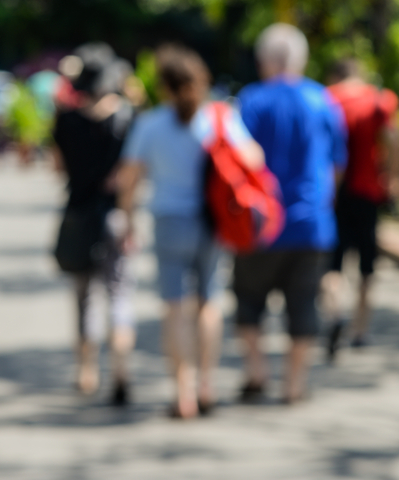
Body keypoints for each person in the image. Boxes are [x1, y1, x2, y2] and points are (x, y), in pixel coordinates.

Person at [115, 44, 263, 419]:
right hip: (211, 221)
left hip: (168, 221)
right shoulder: (218, 118)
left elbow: (129, 179)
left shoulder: (150, 124)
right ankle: (207, 384)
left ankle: (182, 392)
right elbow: (253, 158)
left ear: (162, 85)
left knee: (175, 307)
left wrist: (128, 220)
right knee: (209, 304)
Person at [235, 23, 347, 404]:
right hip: (312, 221)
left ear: (265, 60)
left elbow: (236, 162)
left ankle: (257, 371)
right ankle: (294, 385)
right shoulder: (323, 101)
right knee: (304, 306)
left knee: (248, 301)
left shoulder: (250, 101)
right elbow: (336, 163)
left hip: (259, 224)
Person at [52, 46, 136, 405]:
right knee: (119, 295)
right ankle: (120, 369)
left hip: (78, 213)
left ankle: (86, 371)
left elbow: (58, 169)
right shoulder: (129, 119)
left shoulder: (66, 121)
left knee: (85, 299)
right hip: (116, 215)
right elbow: (133, 175)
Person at [323, 58, 399, 359]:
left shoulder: (327, 99)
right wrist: (393, 178)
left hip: (334, 194)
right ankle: (360, 329)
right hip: (368, 192)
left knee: (333, 264)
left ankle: (333, 315)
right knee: (367, 265)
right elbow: (394, 139)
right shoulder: (377, 100)